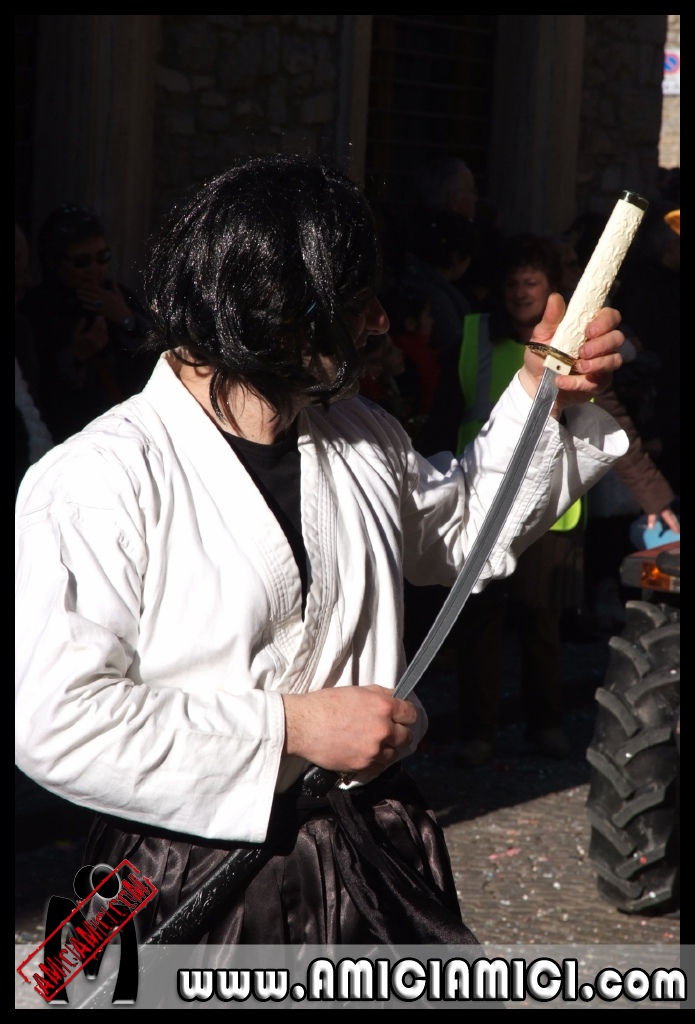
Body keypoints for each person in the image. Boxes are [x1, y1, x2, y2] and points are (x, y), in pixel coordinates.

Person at [15, 155, 627, 947]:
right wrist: (293, 728)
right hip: (178, 878)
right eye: (355, 303)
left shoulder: (361, 434)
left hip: (368, 858)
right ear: (273, 309)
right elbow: (58, 721)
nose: (378, 323)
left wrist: (540, 397)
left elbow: (461, 532)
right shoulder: (98, 478)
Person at [18, 204, 155, 443]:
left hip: (127, 430)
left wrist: (126, 319)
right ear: (55, 262)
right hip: (70, 434)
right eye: (82, 261)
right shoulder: (36, 309)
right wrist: (77, 356)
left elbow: (155, 356)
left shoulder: (117, 295)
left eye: (103, 257)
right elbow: (39, 386)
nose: (95, 269)